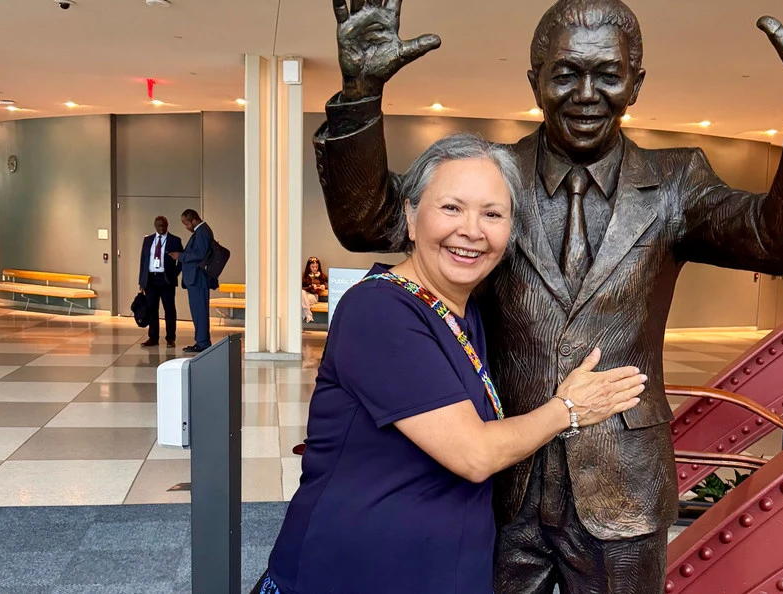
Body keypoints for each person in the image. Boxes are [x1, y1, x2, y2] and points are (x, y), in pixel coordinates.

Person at [314, 0, 783, 593]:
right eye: (566, 72)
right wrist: (360, 94)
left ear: (636, 81)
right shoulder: (490, 181)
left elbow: (775, 243)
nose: (587, 93)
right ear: (534, 78)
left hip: (623, 484)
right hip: (506, 482)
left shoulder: (676, 183)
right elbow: (368, 221)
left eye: (608, 74)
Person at [253, 134, 647, 594]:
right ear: (410, 217)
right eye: (452, 208)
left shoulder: (462, 312)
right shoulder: (378, 311)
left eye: (493, 214)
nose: (472, 231)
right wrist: (570, 408)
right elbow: (474, 454)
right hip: (356, 568)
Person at [170, 209, 216, 353]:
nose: (186, 227)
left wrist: (180, 256)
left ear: (194, 220)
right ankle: (200, 340)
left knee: (200, 312)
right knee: (197, 312)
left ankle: (203, 342)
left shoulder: (202, 231)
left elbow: (200, 253)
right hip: (195, 279)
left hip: (198, 279)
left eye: (186, 223)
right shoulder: (201, 231)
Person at [138, 216, 183, 349]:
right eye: (159, 226)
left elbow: (181, 259)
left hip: (166, 279)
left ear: (167, 225)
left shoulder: (175, 240)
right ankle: (153, 337)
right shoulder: (148, 240)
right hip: (151, 279)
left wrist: (175, 273)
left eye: (164, 225)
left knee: (169, 309)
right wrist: (141, 280)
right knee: (152, 309)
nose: (162, 228)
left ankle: (170, 338)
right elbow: (143, 260)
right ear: (155, 226)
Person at [301, 256, 327, 322]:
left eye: (316, 267)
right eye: (313, 267)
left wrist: (323, 286)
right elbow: (300, 287)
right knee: (302, 293)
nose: (315, 269)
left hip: (313, 296)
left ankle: (306, 318)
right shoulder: (304, 276)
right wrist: (310, 287)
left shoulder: (321, 276)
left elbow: (330, 282)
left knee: (300, 303)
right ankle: (309, 315)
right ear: (309, 267)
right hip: (304, 295)